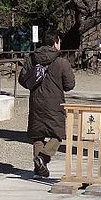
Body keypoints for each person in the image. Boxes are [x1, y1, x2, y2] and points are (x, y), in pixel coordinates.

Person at [22, 30, 75, 179]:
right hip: (55, 103)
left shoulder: (32, 58)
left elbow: (23, 79)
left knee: (38, 136)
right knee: (57, 134)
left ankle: (39, 169)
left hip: (36, 101)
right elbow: (70, 84)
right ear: (55, 42)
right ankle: (44, 158)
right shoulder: (61, 62)